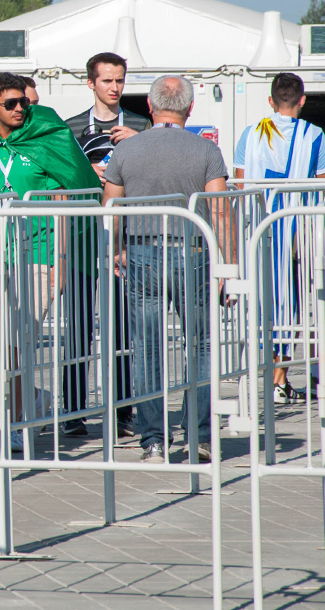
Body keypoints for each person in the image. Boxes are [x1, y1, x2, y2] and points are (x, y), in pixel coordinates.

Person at [103, 76, 228, 464]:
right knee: (202, 345)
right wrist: (228, 262)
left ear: (151, 108)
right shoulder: (206, 150)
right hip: (192, 249)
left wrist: (116, 249)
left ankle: (154, 441)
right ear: (189, 108)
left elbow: (111, 208)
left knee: (148, 348)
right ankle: (200, 436)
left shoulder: (126, 151)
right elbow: (221, 209)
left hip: (141, 252)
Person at [0, 73, 101, 449]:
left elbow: (67, 200)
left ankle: (16, 422)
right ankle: (36, 400)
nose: (19, 109)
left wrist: (61, 262)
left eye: (24, 103)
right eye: (10, 104)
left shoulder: (46, 138)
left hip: (40, 253)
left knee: (19, 341)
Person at [233, 72, 325, 403]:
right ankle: (292, 377)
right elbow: (321, 184)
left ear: (270, 101)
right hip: (301, 230)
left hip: (259, 230)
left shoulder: (251, 134)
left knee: (265, 304)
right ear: (302, 100)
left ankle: (270, 378)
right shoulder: (315, 135)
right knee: (307, 306)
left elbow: (240, 185)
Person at [64, 52, 151, 182]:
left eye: (119, 81)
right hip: (89, 200)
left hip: (127, 200)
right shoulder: (71, 126)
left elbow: (154, 165)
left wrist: (139, 141)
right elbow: (62, 170)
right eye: (107, 81)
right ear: (91, 83)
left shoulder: (141, 124)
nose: (115, 88)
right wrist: (85, 169)